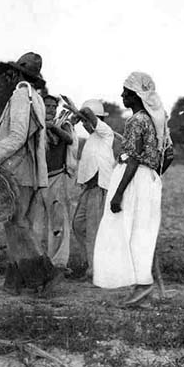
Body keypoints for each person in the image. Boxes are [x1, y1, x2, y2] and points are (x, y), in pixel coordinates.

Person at [0, 52, 63, 295]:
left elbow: (17, 136)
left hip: (19, 171)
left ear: (16, 74)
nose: (6, 78)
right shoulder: (34, 97)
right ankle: (13, 281)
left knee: (17, 224)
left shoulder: (20, 95)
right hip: (30, 171)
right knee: (15, 224)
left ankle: (46, 272)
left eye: (10, 73)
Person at [92, 71, 173, 306]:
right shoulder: (158, 121)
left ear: (136, 95)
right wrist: (152, 177)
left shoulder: (137, 121)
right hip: (147, 181)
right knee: (142, 233)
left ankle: (143, 284)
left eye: (125, 92)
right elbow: (169, 154)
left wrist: (118, 194)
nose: (121, 95)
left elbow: (133, 159)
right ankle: (143, 284)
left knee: (126, 232)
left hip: (133, 178)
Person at [71, 99, 118, 280]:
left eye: (86, 121)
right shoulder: (91, 139)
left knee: (93, 231)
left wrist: (81, 112)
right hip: (89, 189)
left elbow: (90, 115)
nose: (85, 124)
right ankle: (93, 263)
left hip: (99, 188)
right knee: (79, 225)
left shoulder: (105, 133)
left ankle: (95, 270)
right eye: (83, 122)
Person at [32, 93, 74, 271]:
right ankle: (38, 261)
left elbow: (69, 139)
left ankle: (59, 263)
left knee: (58, 223)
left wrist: (53, 128)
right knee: (36, 223)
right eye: (47, 106)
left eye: (53, 106)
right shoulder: (35, 124)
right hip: (38, 179)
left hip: (57, 177)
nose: (50, 109)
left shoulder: (62, 124)